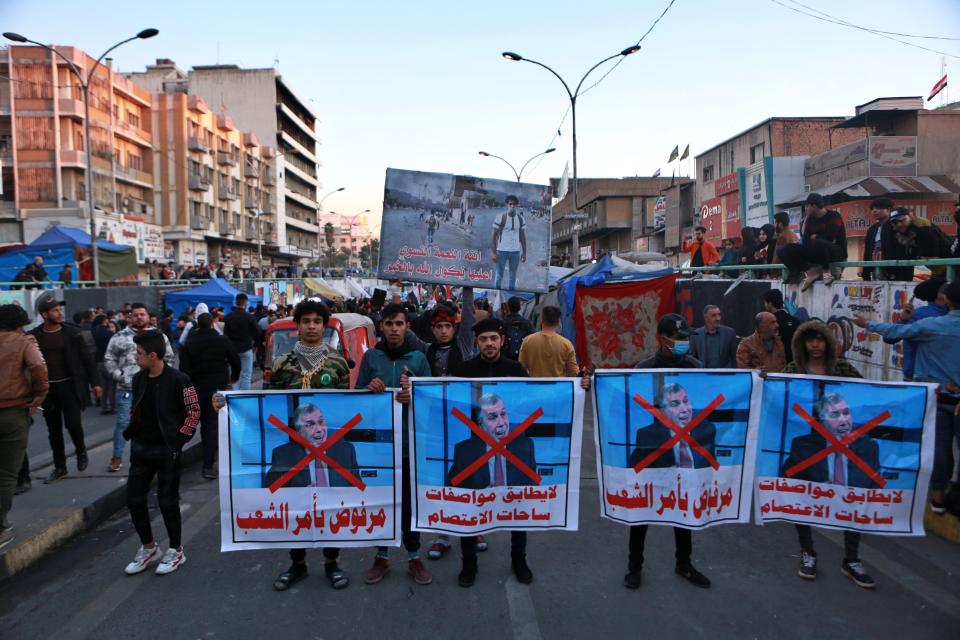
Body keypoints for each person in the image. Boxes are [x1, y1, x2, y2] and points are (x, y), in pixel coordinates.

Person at [780, 320, 875, 589]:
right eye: (809, 339)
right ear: (801, 343)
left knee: (853, 500)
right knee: (803, 499)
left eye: (819, 339)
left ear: (828, 342)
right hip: (810, 448)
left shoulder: (843, 368)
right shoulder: (793, 370)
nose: (815, 344)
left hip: (845, 448)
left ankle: (852, 558)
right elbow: (777, 397)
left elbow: (869, 393)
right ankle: (808, 552)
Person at [620, 313, 711, 590]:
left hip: (686, 454)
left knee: (684, 511)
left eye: (686, 338)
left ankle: (684, 563)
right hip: (654, 453)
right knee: (641, 515)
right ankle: (634, 568)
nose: (684, 342)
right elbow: (625, 400)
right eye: (679, 338)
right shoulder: (644, 368)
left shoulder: (696, 367)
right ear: (662, 339)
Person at [854, 280, 960, 514]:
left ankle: (938, 497)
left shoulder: (930, 323)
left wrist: (867, 324)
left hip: (936, 395)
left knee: (939, 450)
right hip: (951, 395)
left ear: (948, 300)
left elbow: (895, 333)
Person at [450, 317, 531, 587]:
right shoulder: (464, 371)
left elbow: (528, 401)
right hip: (476, 450)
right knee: (469, 509)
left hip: (510, 447)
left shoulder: (515, 369)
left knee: (518, 508)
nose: (489, 344)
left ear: (502, 340)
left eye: (493, 339)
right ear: (477, 342)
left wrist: (580, 387)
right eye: (483, 339)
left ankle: (519, 560)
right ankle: (468, 564)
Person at [356, 303, 433, 586]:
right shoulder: (371, 357)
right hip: (379, 446)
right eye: (389, 324)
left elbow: (431, 400)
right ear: (382, 327)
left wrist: (414, 395)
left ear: (407, 327)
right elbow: (356, 397)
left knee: (410, 504)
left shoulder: (419, 359)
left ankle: (414, 556)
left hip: (409, 446)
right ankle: (382, 555)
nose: (394, 329)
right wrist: (369, 390)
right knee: (381, 501)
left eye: (399, 324)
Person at [121, 331, 200, 577]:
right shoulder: (138, 379)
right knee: (134, 500)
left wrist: (180, 439)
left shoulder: (180, 379)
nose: (136, 356)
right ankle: (148, 548)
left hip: (167, 450)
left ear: (153, 356)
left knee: (167, 501)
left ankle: (176, 550)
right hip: (141, 448)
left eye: (139, 353)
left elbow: (193, 411)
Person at [28, 297, 102, 483]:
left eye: (60, 310)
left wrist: (96, 383)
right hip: (48, 390)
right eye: (55, 310)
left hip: (69, 386)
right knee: (54, 430)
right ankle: (60, 467)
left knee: (73, 425)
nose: (60, 313)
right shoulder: (34, 336)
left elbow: (88, 360)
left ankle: (81, 451)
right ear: (44, 315)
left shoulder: (72, 333)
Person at [0, 304, 48, 552]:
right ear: (20, 324)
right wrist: (40, 394)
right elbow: (38, 367)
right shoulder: (23, 341)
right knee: (7, 474)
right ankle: (0, 526)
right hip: (12, 412)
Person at [104, 303, 174, 472]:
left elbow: (169, 358)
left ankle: (152, 455)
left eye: (142, 314)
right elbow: (109, 358)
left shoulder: (159, 337)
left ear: (148, 316)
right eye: (135, 315)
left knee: (153, 422)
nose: (139, 317)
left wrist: (163, 378)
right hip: (127, 388)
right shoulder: (119, 337)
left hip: (153, 388)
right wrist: (118, 375)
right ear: (130, 317)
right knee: (123, 423)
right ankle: (117, 456)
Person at [179, 313, 241, 479]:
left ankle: (174, 456)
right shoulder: (222, 341)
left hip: (196, 389)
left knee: (192, 423)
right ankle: (208, 465)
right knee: (213, 425)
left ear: (198, 325)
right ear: (213, 324)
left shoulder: (189, 343)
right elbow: (236, 360)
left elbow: (183, 369)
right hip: (217, 390)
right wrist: (234, 377)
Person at [782, 391, 881, 488]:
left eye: (846, 413)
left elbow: (877, 489)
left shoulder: (869, 447)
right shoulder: (803, 447)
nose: (843, 420)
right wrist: (813, 491)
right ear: (822, 421)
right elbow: (786, 485)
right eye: (835, 415)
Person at [448, 393, 536, 486]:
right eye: (492, 417)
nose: (501, 423)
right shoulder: (464, 452)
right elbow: (452, 492)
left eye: (503, 414)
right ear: (481, 425)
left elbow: (533, 489)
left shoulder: (526, 446)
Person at [264, 403, 358, 488]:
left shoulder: (346, 451)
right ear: (299, 431)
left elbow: (359, 493)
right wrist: (301, 497)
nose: (319, 430)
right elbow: (269, 495)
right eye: (310, 425)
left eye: (321, 422)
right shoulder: (283, 455)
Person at [629, 382, 716, 469]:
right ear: (663, 411)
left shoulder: (706, 430)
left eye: (685, 401)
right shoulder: (647, 436)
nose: (685, 409)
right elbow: (636, 476)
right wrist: (664, 475)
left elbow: (712, 472)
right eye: (675, 404)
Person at [881, 279, 949, 381]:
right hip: (920, 377)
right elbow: (889, 338)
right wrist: (902, 320)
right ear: (938, 296)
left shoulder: (951, 313)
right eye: (945, 289)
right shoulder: (918, 315)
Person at [781, 193, 847, 291]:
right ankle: (809, 273)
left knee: (818, 242)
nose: (805, 209)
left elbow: (830, 237)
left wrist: (817, 237)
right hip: (816, 251)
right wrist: (805, 223)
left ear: (814, 206)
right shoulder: (809, 220)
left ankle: (826, 272)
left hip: (835, 252)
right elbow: (806, 240)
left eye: (807, 206)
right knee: (785, 249)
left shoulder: (833, 216)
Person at [518, 305, 579, 377]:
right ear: (558, 322)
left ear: (542, 320)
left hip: (535, 387)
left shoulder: (527, 341)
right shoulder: (566, 344)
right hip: (559, 387)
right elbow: (574, 372)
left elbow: (521, 369)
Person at [889, 207, 946, 280]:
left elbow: (931, 255)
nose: (899, 224)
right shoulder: (895, 231)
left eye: (903, 220)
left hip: (947, 265)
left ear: (910, 216)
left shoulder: (923, 227)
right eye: (895, 222)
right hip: (928, 269)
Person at [861, 197, 904, 281]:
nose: (874, 211)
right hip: (875, 269)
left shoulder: (896, 226)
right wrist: (865, 273)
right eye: (872, 209)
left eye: (878, 208)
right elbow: (867, 252)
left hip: (893, 271)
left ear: (888, 209)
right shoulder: (872, 229)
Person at [224, 293, 260, 391]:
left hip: (232, 349)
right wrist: (255, 345)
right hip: (246, 348)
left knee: (234, 373)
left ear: (236, 302)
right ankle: (246, 395)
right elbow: (258, 332)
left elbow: (225, 335)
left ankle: (235, 394)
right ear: (246, 303)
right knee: (246, 375)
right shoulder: (249, 317)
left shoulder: (228, 317)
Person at [492, 195, 527, 291]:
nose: (512, 206)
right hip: (501, 250)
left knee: (513, 275)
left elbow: (523, 237)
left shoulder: (520, 219)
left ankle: (510, 295)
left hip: (515, 251)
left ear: (517, 206)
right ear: (507, 205)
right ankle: (497, 294)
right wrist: (494, 253)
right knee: (499, 274)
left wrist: (524, 253)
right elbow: (493, 236)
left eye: (514, 204)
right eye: (510, 204)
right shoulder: (500, 217)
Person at [761, 289, 799, 364]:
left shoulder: (767, 322)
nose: (765, 305)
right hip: (793, 364)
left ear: (770, 303)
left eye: (765, 302)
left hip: (775, 363)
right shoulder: (795, 321)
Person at [92, 315, 117, 415]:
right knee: (112, 385)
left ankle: (103, 407)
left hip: (98, 360)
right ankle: (112, 407)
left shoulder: (93, 332)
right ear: (104, 321)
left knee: (103, 385)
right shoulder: (110, 333)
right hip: (109, 361)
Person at [502, 296, 534, 362]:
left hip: (506, 357)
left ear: (508, 307)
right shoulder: (527, 323)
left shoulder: (503, 323)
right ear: (519, 308)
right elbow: (533, 339)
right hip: (522, 357)